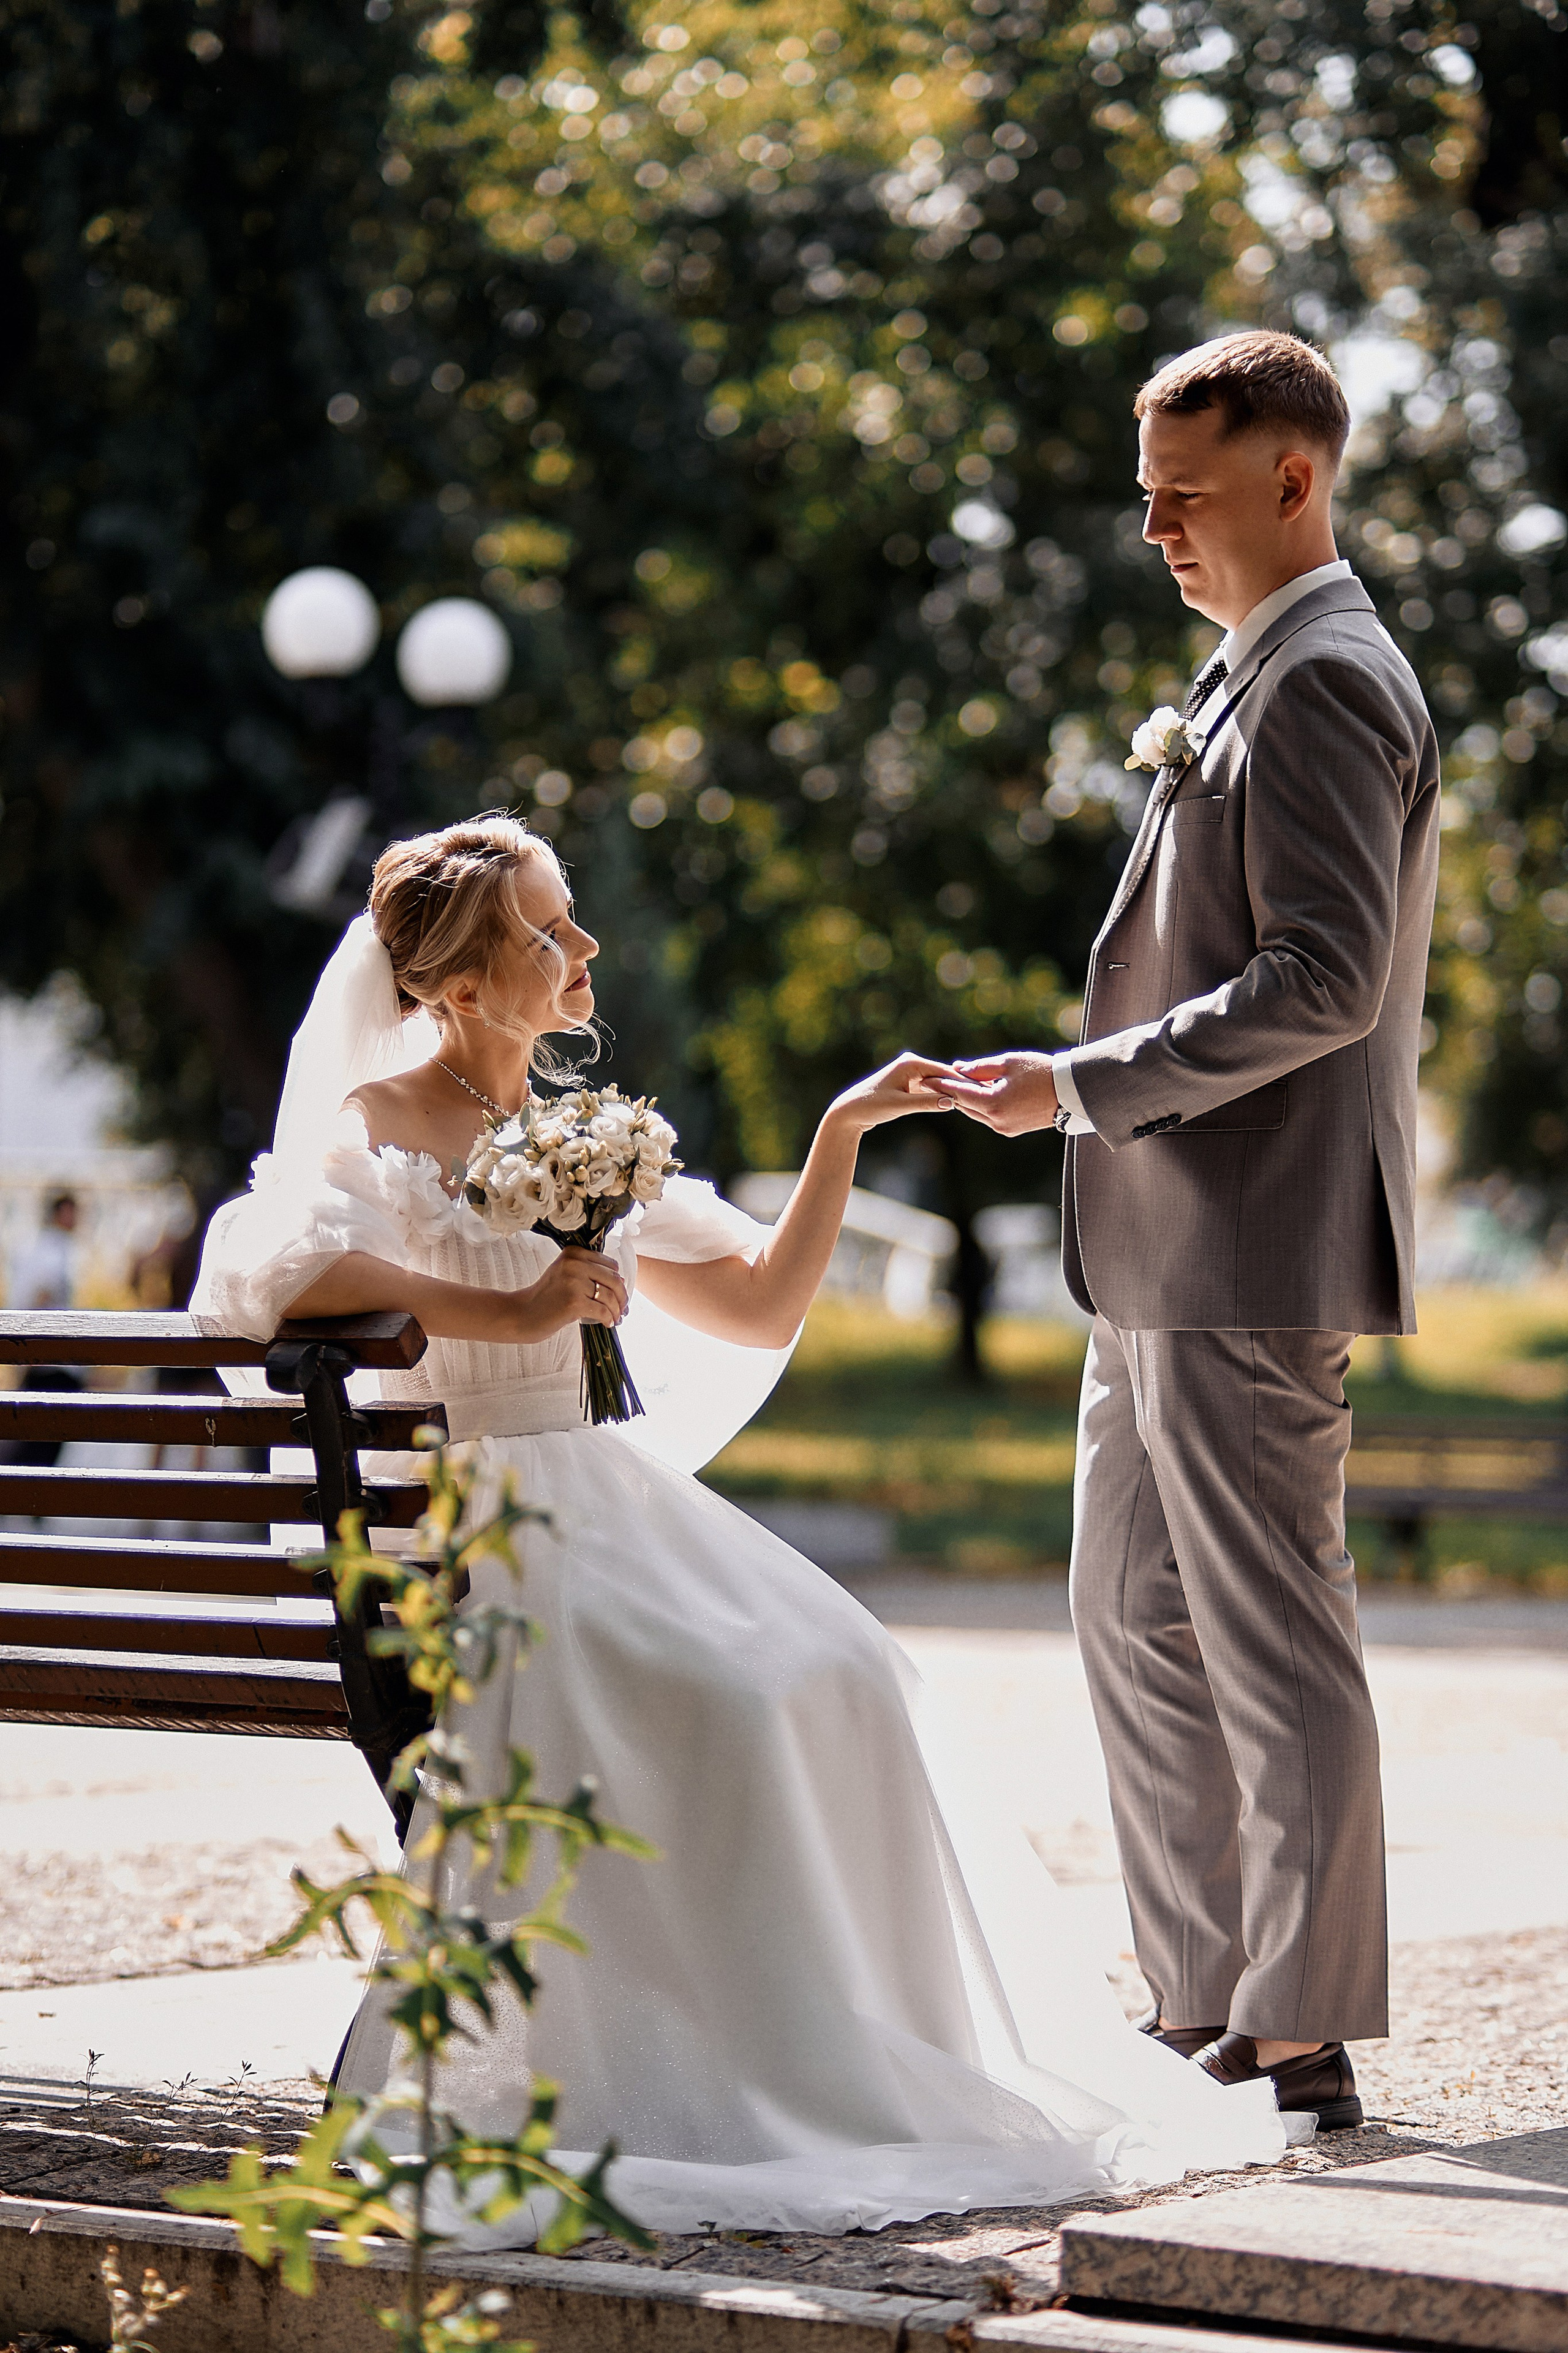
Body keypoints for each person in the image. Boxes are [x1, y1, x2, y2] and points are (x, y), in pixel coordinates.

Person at [194, 813, 1290, 2244]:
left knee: (846, 1669)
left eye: (571, 919)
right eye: (545, 930)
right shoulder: (380, 1120)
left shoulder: (585, 1134)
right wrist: (511, 1308)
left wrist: (840, 1127)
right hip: (483, 1531)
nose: (582, 950)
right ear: (459, 983)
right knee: (729, 1694)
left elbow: (763, 1301)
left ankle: (829, 2053)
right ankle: (693, 2066)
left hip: (613, 1498)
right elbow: (268, 1271)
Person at [935, 332, 1441, 2132]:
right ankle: (1200, 1996)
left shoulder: (1318, 676)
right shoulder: (1241, 673)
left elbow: (1323, 974)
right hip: (1158, 1243)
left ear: (1290, 480)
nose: (1149, 522)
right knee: (1134, 1619)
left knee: (1264, 1627)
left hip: (1245, 1242)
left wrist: (1077, 1083)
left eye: (1182, 490)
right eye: (1142, 489)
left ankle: (1297, 2023)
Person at [9, 1192, 83, 1473]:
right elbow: (42, 1293)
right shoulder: (54, 1247)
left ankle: (28, 1494)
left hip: (42, 1354)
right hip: (50, 1356)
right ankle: (29, 1494)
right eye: (72, 1212)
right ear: (59, 1214)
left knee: (34, 1426)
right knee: (48, 1429)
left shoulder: (40, 1245)